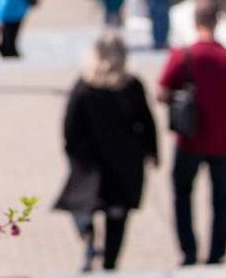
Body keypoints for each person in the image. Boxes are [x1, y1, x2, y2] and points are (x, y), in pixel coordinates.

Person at [158, 0, 226, 267]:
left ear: (195, 22)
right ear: (218, 21)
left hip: (189, 140)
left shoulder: (183, 56)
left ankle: (188, 250)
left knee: (182, 194)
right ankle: (216, 255)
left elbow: (162, 92)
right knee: (222, 201)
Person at [55, 32, 158, 272]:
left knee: (81, 203)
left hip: (89, 160)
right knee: (117, 213)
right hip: (125, 160)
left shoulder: (84, 85)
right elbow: (146, 121)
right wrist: (152, 151)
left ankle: (88, 235)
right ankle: (110, 263)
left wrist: (72, 152)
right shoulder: (130, 85)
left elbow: (70, 124)